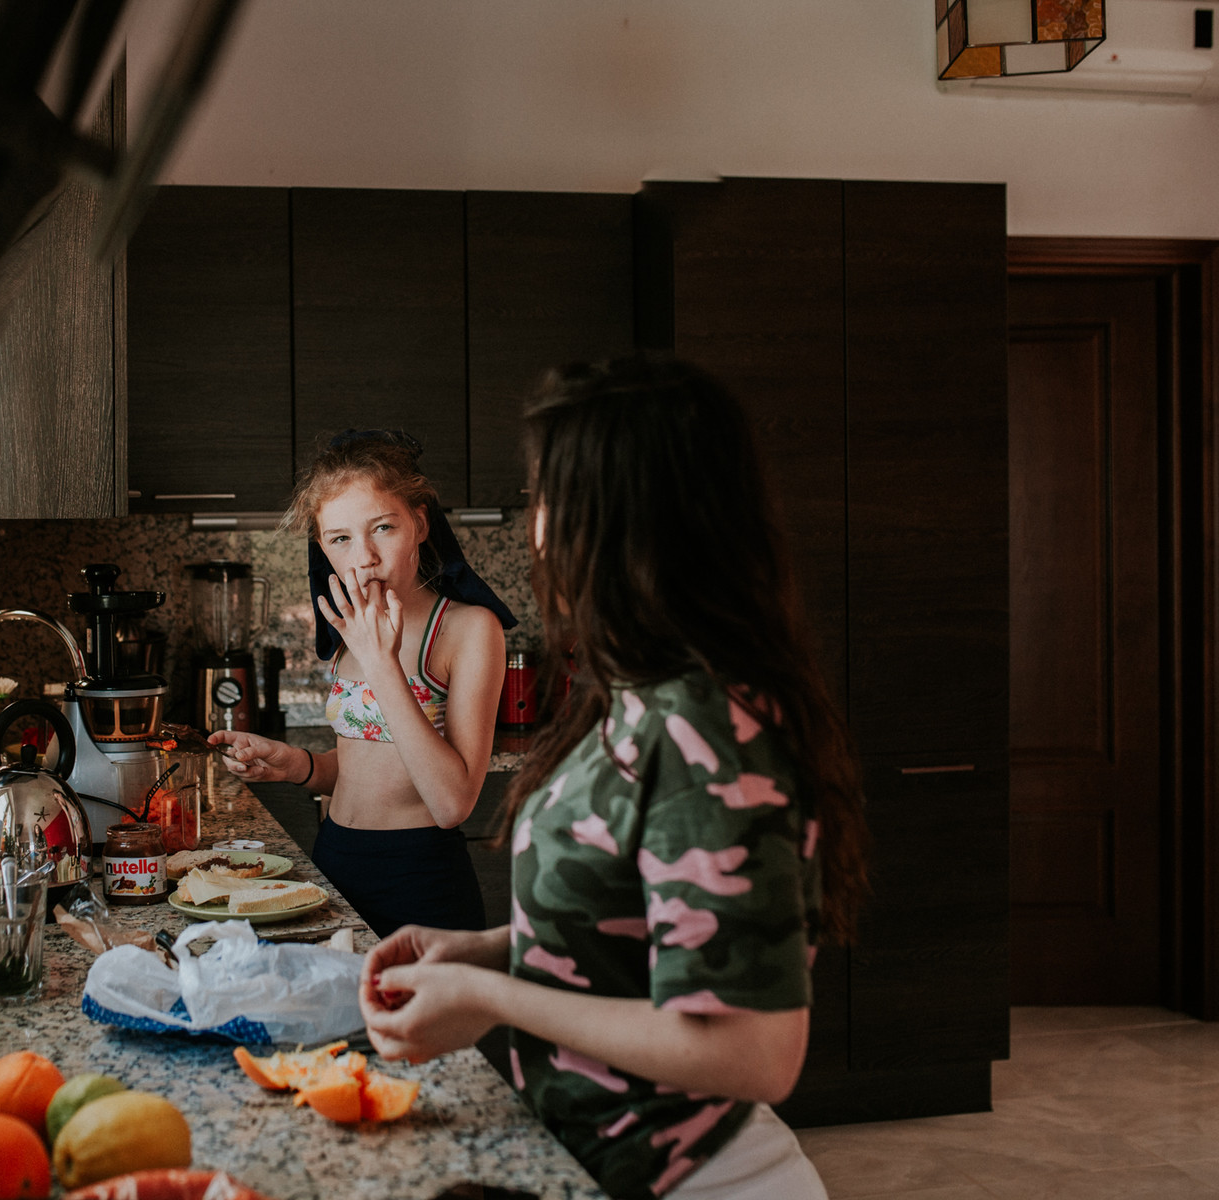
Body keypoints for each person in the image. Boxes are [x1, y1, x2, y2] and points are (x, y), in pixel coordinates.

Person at [359, 359, 870, 1200]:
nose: (537, 528)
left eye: (551, 498)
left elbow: (756, 1053)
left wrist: (492, 995)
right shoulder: (638, 692)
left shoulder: (712, 727)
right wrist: (487, 952)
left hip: (704, 1179)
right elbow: (633, 931)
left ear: (627, 517)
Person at [210, 431, 513, 937]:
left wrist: (382, 663)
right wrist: (296, 765)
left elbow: (451, 802)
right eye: (340, 538)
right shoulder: (350, 628)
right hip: (335, 863)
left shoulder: (468, 629)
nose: (364, 556)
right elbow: (364, 771)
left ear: (418, 522)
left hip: (421, 880)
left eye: (383, 528)